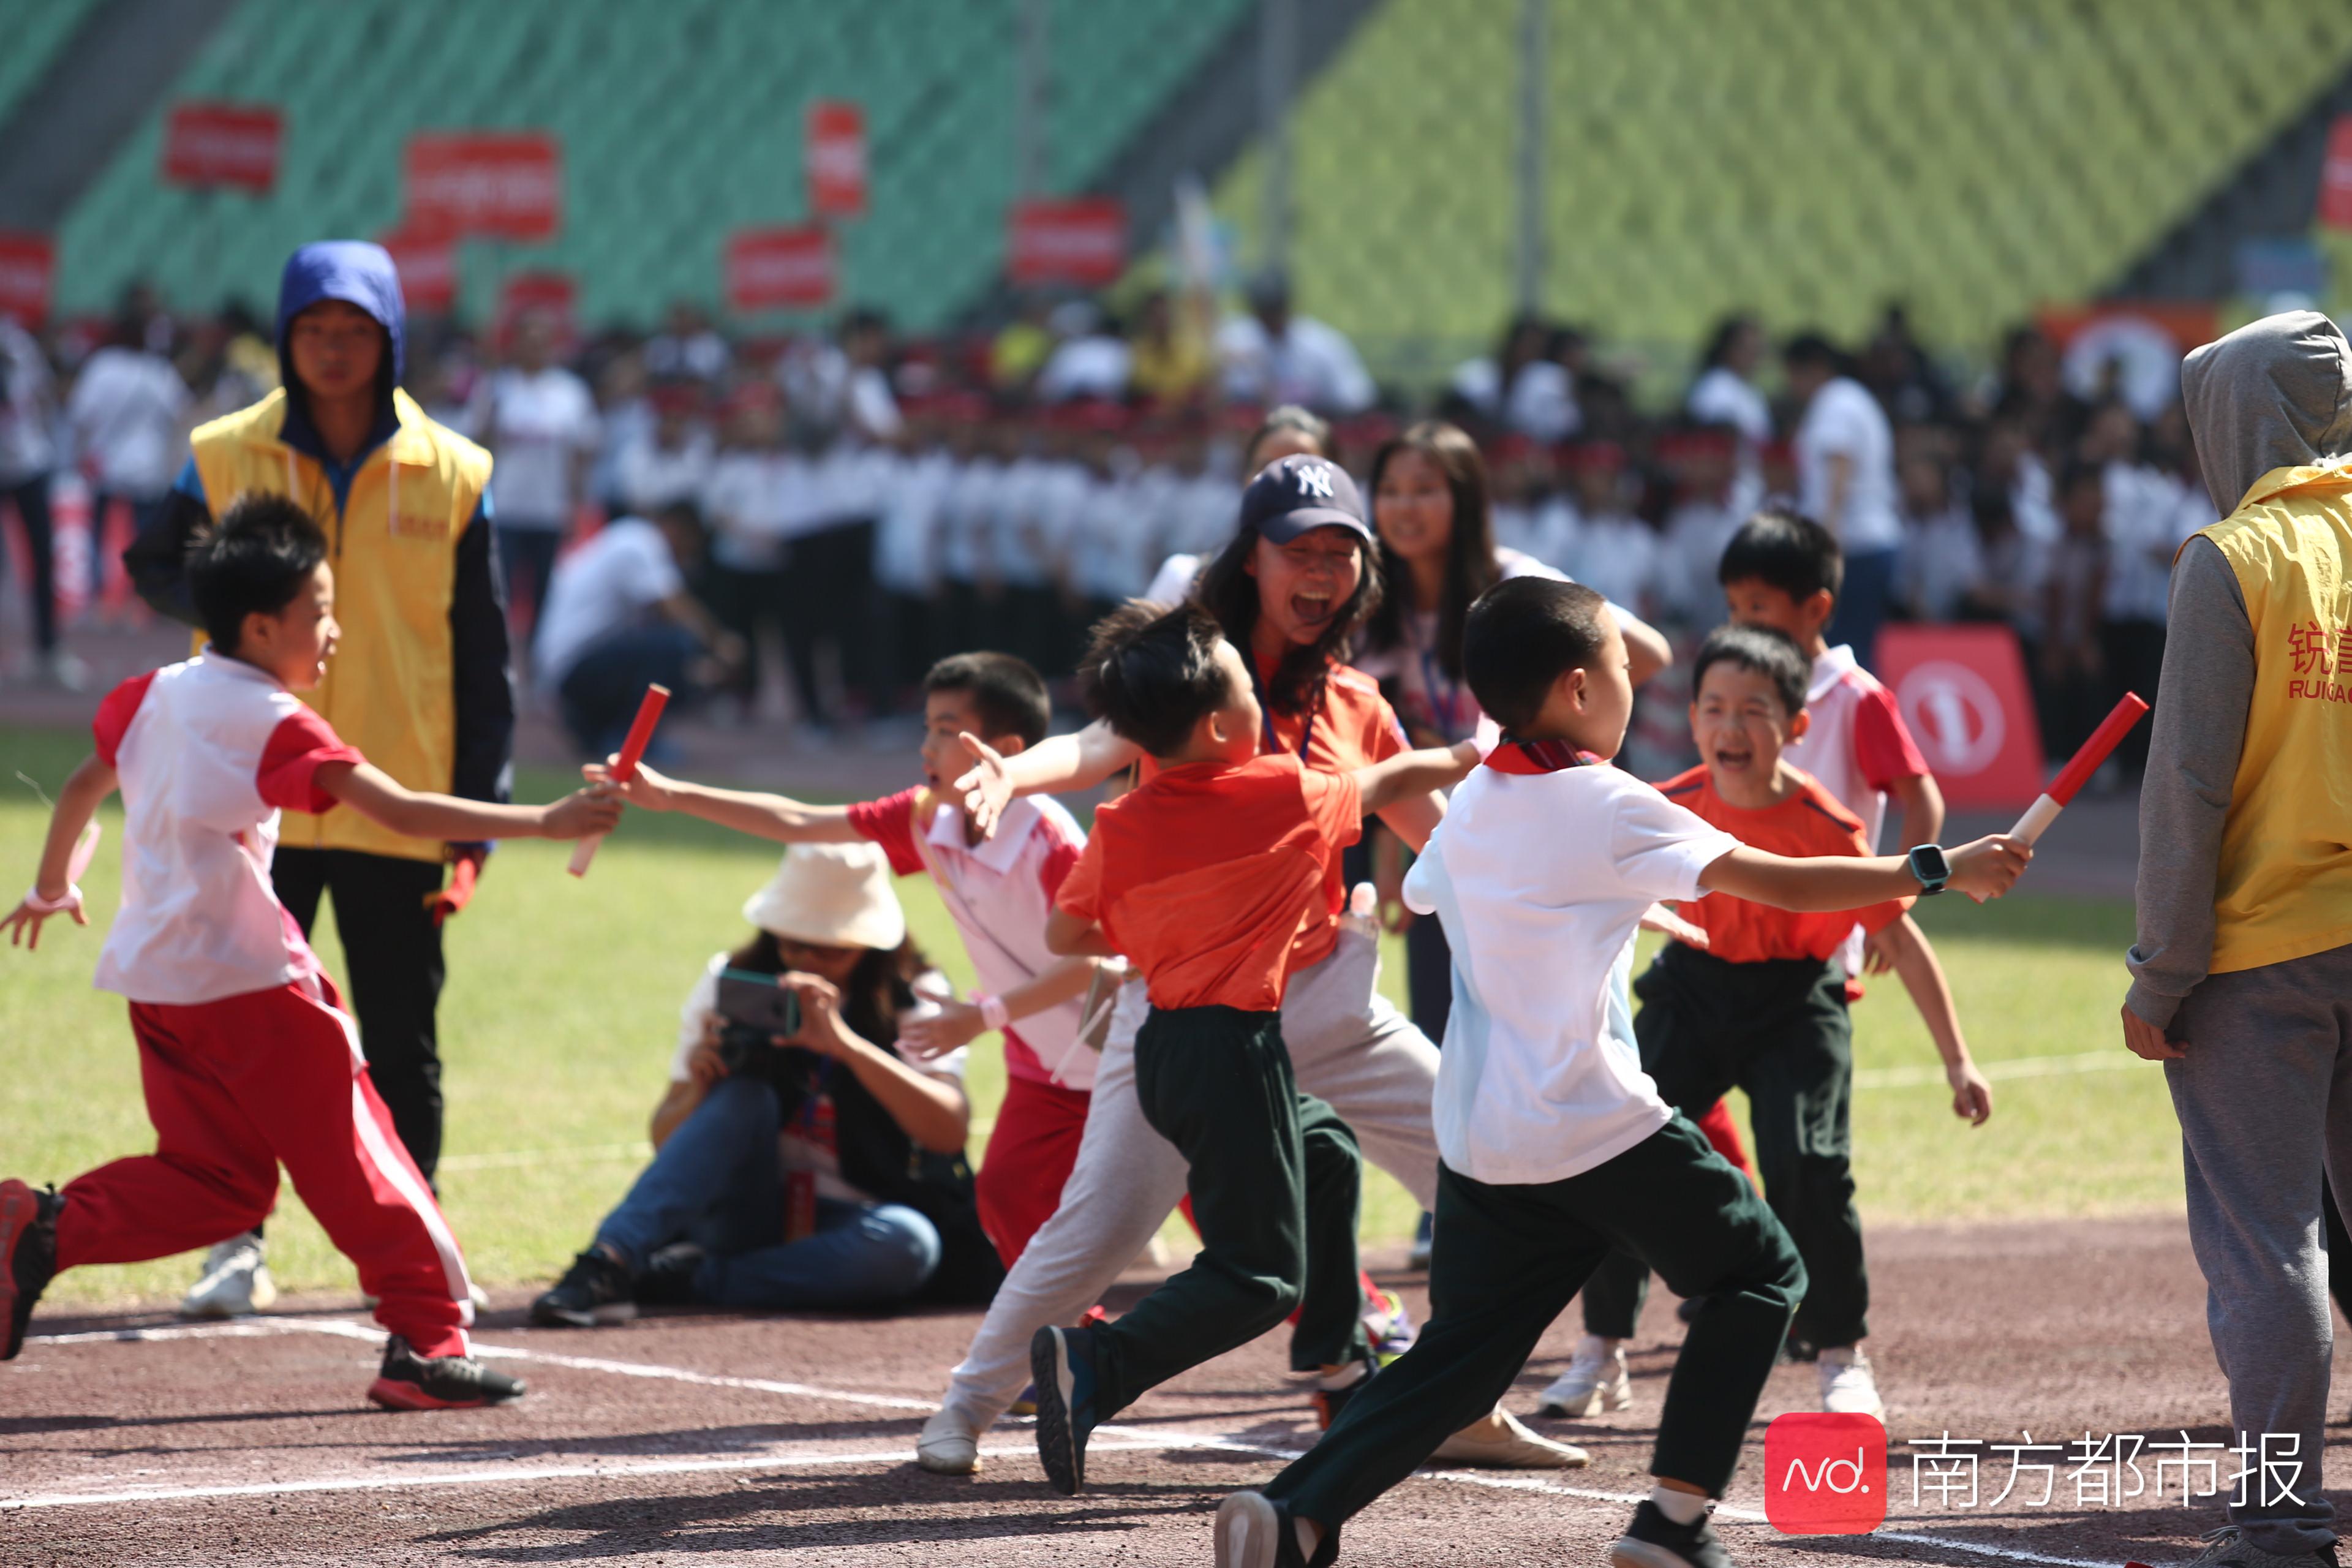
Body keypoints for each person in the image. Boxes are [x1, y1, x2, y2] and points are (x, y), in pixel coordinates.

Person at [1211, 576, 2029, 1568]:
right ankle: (1672, 1525)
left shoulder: (1475, 805)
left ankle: (1294, 1509)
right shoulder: (1605, 801)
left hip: (1480, 1138)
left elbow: (1438, 890)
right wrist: (1937, 868)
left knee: (1461, 1359)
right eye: (1620, 664)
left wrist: (1613, 901)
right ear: (1578, 689)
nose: (1635, 682)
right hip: (1589, 1123)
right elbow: (1778, 879)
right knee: (1762, 1273)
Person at [918, 454, 1581, 1478]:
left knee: (1480, 1166)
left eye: (1340, 553)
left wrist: (1573, 896)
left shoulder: (1357, 701)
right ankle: (965, 1407)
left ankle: (1453, 1401)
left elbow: (1445, 837)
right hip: (1189, 1010)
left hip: (1327, 1000)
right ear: (1251, 561)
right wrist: (1014, 771)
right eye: (1297, 551)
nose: (1321, 572)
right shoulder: (1193, 674)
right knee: (1099, 1226)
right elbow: (1093, 747)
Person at [0, 494, 619, 1404]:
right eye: (320, 611)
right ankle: (426, 1342)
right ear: (261, 626)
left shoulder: (151, 692)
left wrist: (53, 884)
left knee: (219, 1184)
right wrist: (546, 819)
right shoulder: (275, 720)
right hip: (255, 984)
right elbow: (400, 811)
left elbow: (85, 784)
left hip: (159, 982)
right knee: (362, 1156)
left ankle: (42, 1228)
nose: (335, 632)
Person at [123, 240, 515, 1321]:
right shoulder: (224, 451)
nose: (334, 350)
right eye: (314, 330)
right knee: (245, 1038)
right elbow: (152, 561)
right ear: (286, 337)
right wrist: (237, 623)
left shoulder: (457, 469)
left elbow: (484, 655)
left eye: (355, 332)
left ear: (392, 341)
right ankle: (235, 1243)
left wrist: (477, 818)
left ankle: (420, 1252)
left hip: (398, 794)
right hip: (250, 800)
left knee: (401, 1038)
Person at [1028, 601, 1481, 1494]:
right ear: (1215, 725)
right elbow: (1395, 779)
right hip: (1232, 1050)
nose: (1259, 706)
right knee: (1261, 1277)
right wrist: (1477, 752)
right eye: (1246, 690)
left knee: (1328, 1150)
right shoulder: (1278, 788)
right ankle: (1097, 1364)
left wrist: (1172, 926)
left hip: (1164, 1048)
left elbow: (1064, 934)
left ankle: (1336, 1362)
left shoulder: (1124, 818)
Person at [1555, 624, 1994, 1425]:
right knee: (1616, 1141)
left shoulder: (1827, 824)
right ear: (1692, 720)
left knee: (1809, 1164)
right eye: (1714, 707)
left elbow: (1899, 938)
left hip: (1798, 998)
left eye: (1754, 710)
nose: (1731, 726)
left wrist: (1958, 1060)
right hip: (1694, 986)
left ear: (1796, 726)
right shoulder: (1667, 806)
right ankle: (1601, 1349)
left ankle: (1840, 1353)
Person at [568, 651, 1102, 1273]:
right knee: (1008, 1196)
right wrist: (671, 794)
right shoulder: (929, 819)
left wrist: (985, 1017)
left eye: (946, 730)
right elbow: (802, 821)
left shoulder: (1049, 841)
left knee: (1194, 1188)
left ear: (1004, 751)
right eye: (926, 726)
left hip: (1122, 1048)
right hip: (1042, 1060)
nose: (926, 746)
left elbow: (1109, 954)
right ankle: (1075, 1331)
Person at [2123, 310, 2352, 1568]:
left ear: (2234, 418)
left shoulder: (2232, 557)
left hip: (2261, 955)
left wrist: (2161, 971)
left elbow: (2189, 785)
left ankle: (2279, 1517)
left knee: (2269, 1247)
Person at [1352, 420, 1681, 1264]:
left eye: (1426, 488)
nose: (1404, 507)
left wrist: (1532, 734)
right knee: (1447, 1007)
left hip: (1547, 823)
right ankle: (1456, 1204)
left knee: (1573, 1008)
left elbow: (1644, 652)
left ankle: (1599, 1189)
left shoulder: (1514, 581)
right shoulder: (1371, 602)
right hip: (1456, 830)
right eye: (1391, 490)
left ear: (1465, 498)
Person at [530, 842, 1001, 1324]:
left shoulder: (913, 994)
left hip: (855, 1219)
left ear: (869, 945)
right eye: (794, 944)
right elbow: (665, 1140)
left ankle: (686, 1279)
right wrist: (698, 1088)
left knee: (908, 1243)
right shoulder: (732, 981)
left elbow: (948, 1129)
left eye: (832, 950)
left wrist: (847, 1047)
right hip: (742, 1211)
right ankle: (606, 1263)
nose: (810, 962)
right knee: (744, 1097)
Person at [532, 499, 741, 756]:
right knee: (675, 645)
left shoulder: (625, 536)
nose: (689, 556)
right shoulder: (641, 542)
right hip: (573, 668)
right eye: (692, 545)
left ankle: (603, 735)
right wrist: (720, 643)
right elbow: (675, 607)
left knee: (680, 660)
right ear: (678, 528)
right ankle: (629, 742)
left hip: (571, 669)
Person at [469, 307, 598, 638]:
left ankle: (540, 654)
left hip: (550, 510)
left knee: (546, 595)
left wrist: (577, 507)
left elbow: (580, 455)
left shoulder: (571, 393)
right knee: (499, 591)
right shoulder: (496, 388)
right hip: (505, 507)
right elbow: (476, 447)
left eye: (542, 340)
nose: (535, 346)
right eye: (528, 339)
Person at [1784, 333, 1902, 667]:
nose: (1791, 386)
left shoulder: (1835, 404)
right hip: (1867, 541)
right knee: (1854, 648)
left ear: (1814, 368)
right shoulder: (1853, 399)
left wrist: (1827, 547)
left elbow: (1839, 471)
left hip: (1853, 544)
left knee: (1842, 653)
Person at [65, 301, 189, 617]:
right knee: (145, 537)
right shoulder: (159, 371)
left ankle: (98, 599)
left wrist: (80, 453)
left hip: (105, 464)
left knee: (98, 534)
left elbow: (80, 416)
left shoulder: (103, 366)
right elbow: (181, 413)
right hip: (147, 467)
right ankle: (141, 599)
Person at [1141, 405, 1326, 608]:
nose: (1281, 483)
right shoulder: (1183, 581)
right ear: (1245, 476)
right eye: (1267, 468)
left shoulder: (1346, 590)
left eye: (1303, 472)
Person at [0, 314, 70, 686]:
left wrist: (51, 447)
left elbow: (43, 398)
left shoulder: (19, 344)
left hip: (28, 463)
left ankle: (48, 650)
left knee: (43, 556)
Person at [1216, 275, 1375, 416]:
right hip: (1252, 433)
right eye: (1264, 311)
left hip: (1312, 429)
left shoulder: (1322, 344)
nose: (1270, 317)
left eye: (1275, 310)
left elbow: (1356, 400)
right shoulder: (1234, 340)